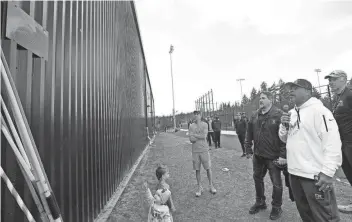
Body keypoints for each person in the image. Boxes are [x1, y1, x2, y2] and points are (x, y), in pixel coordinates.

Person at [279, 79, 342, 222]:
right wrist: (284, 126)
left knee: (325, 217)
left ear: (308, 91)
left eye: (295, 87)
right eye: (290, 88)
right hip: (294, 174)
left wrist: (327, 172)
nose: (290, 91)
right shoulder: (291, 113)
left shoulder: (320, 111)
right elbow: (284, 139)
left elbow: (332, 143)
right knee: (306, 215)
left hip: (314, 176)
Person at [245, 91, 286, 220]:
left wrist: (283, 155)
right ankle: (260, 202)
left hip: (273, 157)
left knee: (276, 184)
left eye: (263, 98)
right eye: (260, 98)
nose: (260, 100)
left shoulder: (278, 114)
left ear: (271, 100)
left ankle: (276, 207)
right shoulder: (255, 115)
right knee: (257, 178)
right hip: (258, 155)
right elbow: (249, 132)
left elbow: (285, 137)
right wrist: (248, 147)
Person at [324, 70, 352, 214]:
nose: (331, 83)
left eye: (333, 79)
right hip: (342, 144)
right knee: (349, 173)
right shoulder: (336, 98)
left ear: (343, 79)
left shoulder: (350, 94)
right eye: (329, 80)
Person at [189, 111, 217, 197]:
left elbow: (204, 136)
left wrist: (195, 135)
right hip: (195, 151)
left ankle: (211, 186)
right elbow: (191, 139)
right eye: (195, 114)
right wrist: (197, 136)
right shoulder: (191, 126)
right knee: (197, 170)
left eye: (197, 114)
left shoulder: (205, 124)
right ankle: (199, 188)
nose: (196, 116)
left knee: (208, 168)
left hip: (204, 150)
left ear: (200, 115)